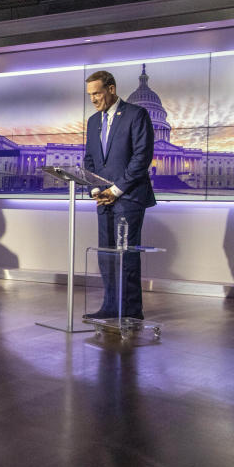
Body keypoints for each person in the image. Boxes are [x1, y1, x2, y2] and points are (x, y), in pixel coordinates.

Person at [82, 70, 155, 320]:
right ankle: (111, 307)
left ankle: (131, 312)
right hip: (102, 198)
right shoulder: (93, 121)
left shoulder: (137, 115)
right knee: (106, 254)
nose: (93, 99)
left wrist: (114, 190)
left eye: (97, 93)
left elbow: (141, 158)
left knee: (126, 255)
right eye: (90, 95)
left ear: (111, 89)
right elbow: (90, 159)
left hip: (129, 197)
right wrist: (95, 189)